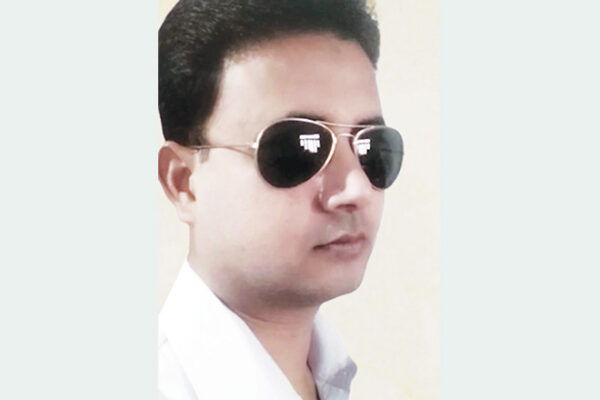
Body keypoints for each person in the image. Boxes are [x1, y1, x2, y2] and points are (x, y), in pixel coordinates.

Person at [157, 0, 404, 399]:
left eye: (371, 147)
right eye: (298, 148)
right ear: (184, 182)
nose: (356, 189)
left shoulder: (335, 379)